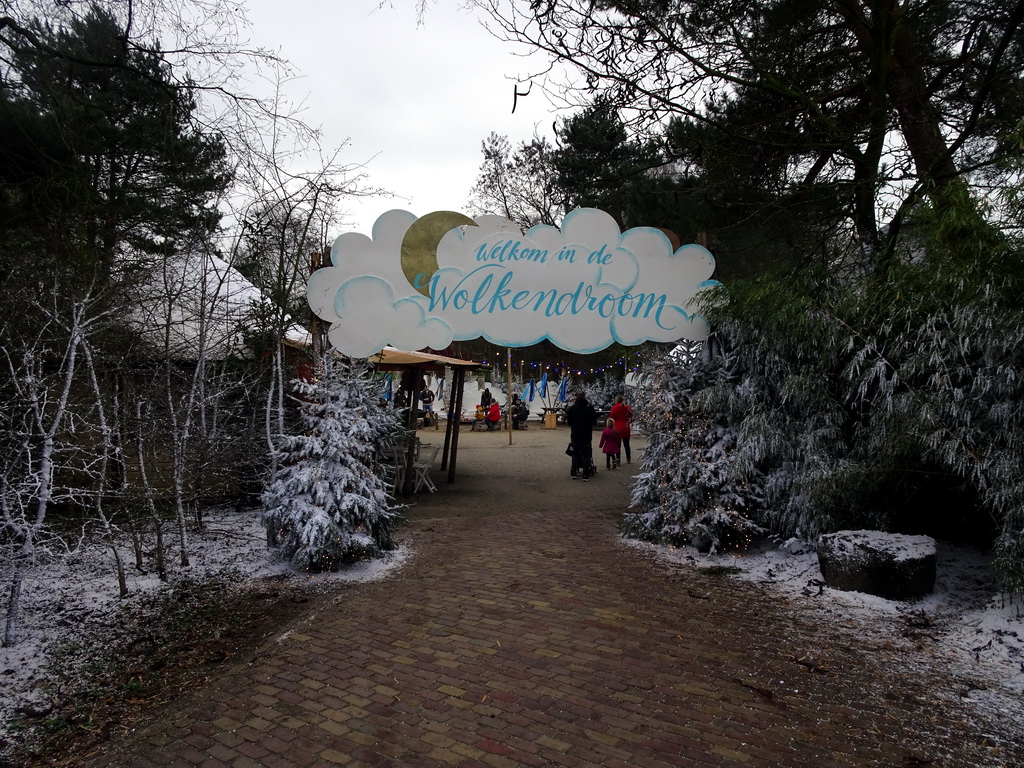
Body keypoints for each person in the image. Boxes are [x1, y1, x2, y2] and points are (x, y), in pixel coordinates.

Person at [565, 391, 598, 480]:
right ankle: (585, 474)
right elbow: (594, 421)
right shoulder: (590, 408)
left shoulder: (572, 409)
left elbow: (569, 422)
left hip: (575, 434)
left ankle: (574, 472)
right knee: (586, 454)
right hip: (586, 434)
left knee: (575, 453)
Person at [609, 394, 634, 464]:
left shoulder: (614, 408)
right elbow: (632, 415)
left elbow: (611, 417)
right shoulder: (627, 407)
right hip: (626, 427)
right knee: (627, 445)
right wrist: (629, 420)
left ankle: (618, 459)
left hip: (617, 427)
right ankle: (628, 458)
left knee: (617, 445)